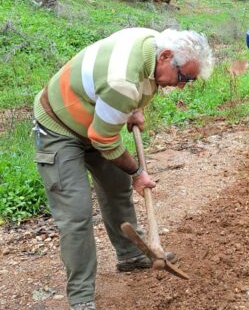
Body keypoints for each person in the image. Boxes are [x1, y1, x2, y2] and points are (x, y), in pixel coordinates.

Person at [32, 28, 214, 310]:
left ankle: (130, 256)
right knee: (76, 214)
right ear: (166, 56)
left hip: (95, 119)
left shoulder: (150, 44)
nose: (182, 86)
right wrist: (137, 173)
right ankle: (81, 298)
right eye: (183, 78)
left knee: (117, 191)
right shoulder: (122, 81)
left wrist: (133, 108)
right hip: (60, 128)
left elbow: (123, 92)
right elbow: (104, 138)